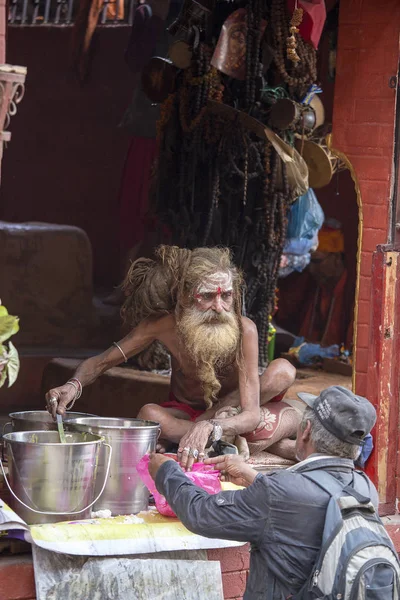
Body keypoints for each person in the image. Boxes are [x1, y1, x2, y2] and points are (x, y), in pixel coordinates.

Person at [45, 245, 296, 470]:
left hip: (234, 414)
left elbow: (250, 414)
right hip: (189, 415)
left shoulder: (245, 330)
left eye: (226, 295)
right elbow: (102, 361)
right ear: (186, 297)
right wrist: (73, 385)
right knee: (149, 415)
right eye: (207, 296)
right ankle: (257, 444)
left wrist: (213, 426)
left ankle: (206, 439)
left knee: (283, 371)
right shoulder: (163, 326)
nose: (219, 307)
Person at [147, 386, 378, 599]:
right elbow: (302, 507)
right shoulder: (366, 488)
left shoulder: (279, 493)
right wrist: (255, 479)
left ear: (305, 431)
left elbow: (201, 514)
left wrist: (166, 471)